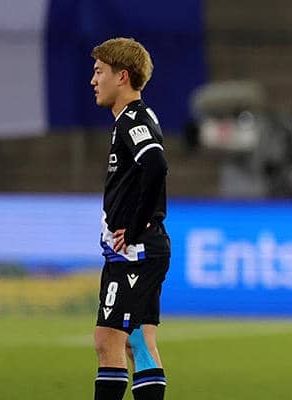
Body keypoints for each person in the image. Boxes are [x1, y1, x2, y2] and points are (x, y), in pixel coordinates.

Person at [90, 37, 171, 400]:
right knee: (138, 340)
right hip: (141, 249)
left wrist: (136, 227)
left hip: (134, 252)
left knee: (108, 339)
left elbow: (155, 164)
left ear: (121, 76)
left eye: (99, 72)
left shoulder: (132, 119)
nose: (93, 80)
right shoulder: (138, 117)